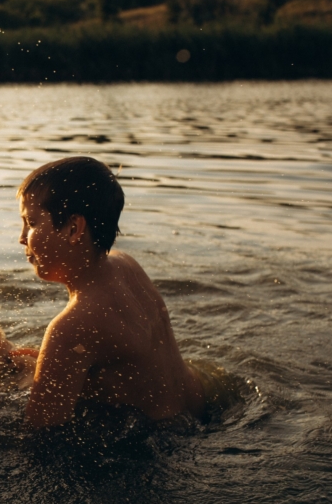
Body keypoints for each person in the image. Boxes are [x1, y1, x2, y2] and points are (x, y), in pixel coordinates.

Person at [17, 156, 211, 430]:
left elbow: (40, 429)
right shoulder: (126, 265)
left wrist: (27, 381)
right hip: (202, 408)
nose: (22, 237)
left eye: (31, 222)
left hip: (161, 436)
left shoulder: (71, 327)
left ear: (74, 228)